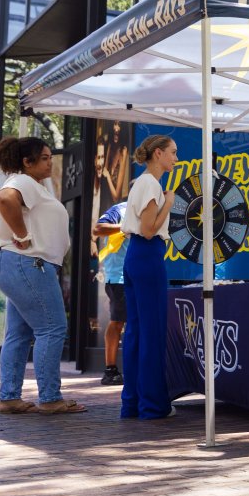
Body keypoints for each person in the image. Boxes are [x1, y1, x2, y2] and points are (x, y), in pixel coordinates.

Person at [0, 136, 86, 415]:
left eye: (49, 157)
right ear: (26, 162)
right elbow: (5, 199)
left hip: (19, 264)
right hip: (28, 263)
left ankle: (9, 398)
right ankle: (51, 398)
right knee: (53, 328)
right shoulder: (22, 182)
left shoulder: (34, 185)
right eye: (44, 158)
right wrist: (22, 235)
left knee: (19, 333)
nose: (50, 162)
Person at [119, 135, 177, 419]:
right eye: (172, 153)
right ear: (158, 154)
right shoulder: (152, 184)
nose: (175, 158)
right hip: (148, 253)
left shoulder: (140, 184)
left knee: (136, 331)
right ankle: (153, 405)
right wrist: (169, 203)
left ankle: (131, 402)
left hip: (135, 257)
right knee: (151, 331)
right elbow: (149, 229)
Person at [92, 201, 129, 385]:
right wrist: (125, 227)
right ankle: (110, 370)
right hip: (119, 277)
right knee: (118, 321)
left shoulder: (152, 209)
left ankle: (134, 367)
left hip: (139, 275)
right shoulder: (120, 209)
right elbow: (98, 229)